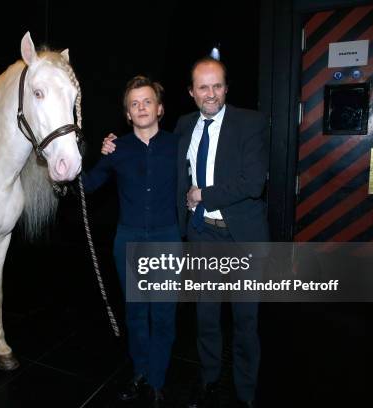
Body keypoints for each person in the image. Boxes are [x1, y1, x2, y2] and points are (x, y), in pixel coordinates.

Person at [102, 58, 269, 408]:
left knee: (245, 324)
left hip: (242, 238)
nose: (211, 94)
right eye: (203, 87)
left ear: (226, 88)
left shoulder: (250, 122)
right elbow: (156, 162)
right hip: (202, 236)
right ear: (191, 92)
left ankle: (245, 395)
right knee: (206, 321)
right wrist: (109, 147)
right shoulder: (184, 126)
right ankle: (208, 382)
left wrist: (201, 194)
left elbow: (253, 183)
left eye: (217, 86)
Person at [83, 75, 180, 407]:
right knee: (137, 313)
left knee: (164, 315)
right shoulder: (116, 148)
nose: (141, 108)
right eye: (134, 104)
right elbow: (89, 184)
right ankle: (140, 372)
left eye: (147, 101)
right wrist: (69, 159)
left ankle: (157, 379)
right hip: (129, 240)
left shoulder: (177, 144)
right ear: (127, 114)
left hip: (168, 239)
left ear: (160, 108)